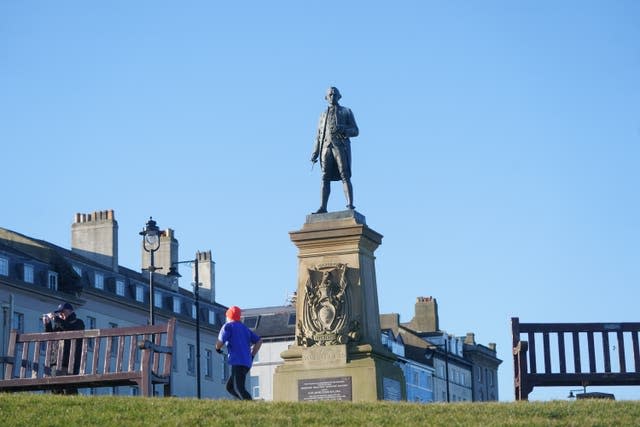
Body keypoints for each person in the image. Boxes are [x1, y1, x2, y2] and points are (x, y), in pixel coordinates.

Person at [311, 86, 359, 214]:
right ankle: (323, 207)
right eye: (330, 95)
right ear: (326, 97)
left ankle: (350, 205)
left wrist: (343, 129)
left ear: (339, 96)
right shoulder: (322, 115)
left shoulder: (346, 111)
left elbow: (355, 131)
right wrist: (315, 152)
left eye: (334, 94)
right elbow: (318, 135)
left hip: (340, 147)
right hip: (326, 148)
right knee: (324, 177)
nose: (332, 97)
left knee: (345, 175)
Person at [215, 305, 262, 400]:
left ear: (228, 317)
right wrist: (252, 355)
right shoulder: (244, 328)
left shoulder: (228, 326)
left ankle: (250, 405)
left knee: (238, 388)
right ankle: (244, 402)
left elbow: (220, 342)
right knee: (230, 387)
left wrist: (217, 348)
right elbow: (259, 341)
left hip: (237, 362)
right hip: (247, 362)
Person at [43, 301, 85, 394]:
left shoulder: (78, 322)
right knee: (55, 386)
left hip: (70, 360)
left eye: (63, 311)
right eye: (59, 312)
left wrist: (57, 319)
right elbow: (51, 337)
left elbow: (70, 330)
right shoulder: (59, 322)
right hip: (56, 360)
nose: (61, 314)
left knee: (69, 387)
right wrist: (47, 324)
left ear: (70, 311)